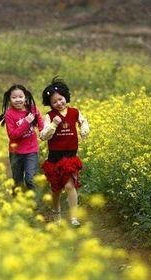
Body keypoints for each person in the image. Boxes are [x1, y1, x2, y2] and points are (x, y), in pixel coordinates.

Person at [40, 77, 90, 226]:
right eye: (54, 102)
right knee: (56, 189)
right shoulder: (49, 116)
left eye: (60, 99)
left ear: (65, 97)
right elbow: (43, 136)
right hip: (55, 156)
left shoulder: (75, 112)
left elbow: (83, 121)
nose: (58, 103)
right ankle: (56, 215)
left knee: (69, 186)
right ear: (50, 104)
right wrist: (53, 125)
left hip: (70, 155)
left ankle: (74, 217)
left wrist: (84, 129)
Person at [0, 84, 43, 192]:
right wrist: (26, 122)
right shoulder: (9, 114)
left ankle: (32, 204)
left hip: (31, 151)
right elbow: (13, 135)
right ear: (9, 99)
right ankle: (18, 204)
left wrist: (43, 131)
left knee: (30, 179)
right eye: (14, 97)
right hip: (16, 152)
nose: (17, 100)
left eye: (20, 97)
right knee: (17, 181)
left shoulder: (32, 109)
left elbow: (40, 121)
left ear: (26, 97)